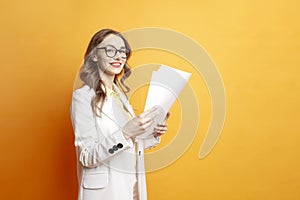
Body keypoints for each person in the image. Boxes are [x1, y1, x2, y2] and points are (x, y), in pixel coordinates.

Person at [70, 29, 169, 200]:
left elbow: (128, 145)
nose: (119, 57)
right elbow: (86, 156)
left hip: (131, 188)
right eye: (110, 50)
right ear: (94, 55)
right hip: (105, 193)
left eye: (123, 51)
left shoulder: (119, 96)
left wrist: (152, 132)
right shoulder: (83, 97)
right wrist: (126, 132)